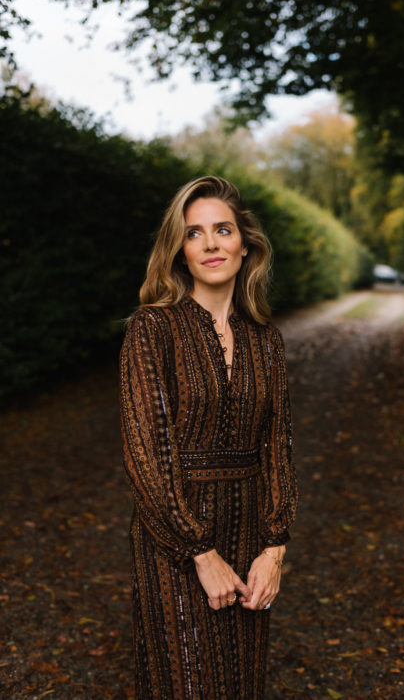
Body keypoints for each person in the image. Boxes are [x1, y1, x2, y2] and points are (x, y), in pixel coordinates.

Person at [119, 175, 298, 699]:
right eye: (195, 234)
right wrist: (200, 550)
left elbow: (278, 446)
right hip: (172, 540)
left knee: (240, 682)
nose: (211, 243)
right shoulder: (152, 330)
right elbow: (145, 454)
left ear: (246, 246)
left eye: (223, 230)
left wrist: (274, 548)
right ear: (180, 251)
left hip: (248, 535)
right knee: (185, 680)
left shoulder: (267, 340)